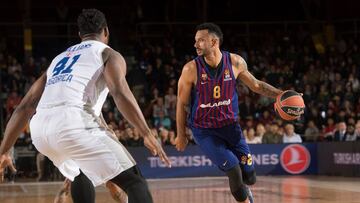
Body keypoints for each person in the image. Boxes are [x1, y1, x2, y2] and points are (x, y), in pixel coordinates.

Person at [0, 9, 170, 203]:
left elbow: (26, 105)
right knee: (135, 182)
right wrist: (146, 132)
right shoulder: (108, 53)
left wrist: (4, 150)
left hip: (40, 131)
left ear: (80, 35)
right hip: (73, 124)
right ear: (106, 32)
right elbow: (120, 93)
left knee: (80, 172)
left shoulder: (59, 59)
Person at [175, 23, 294, 203]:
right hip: (205, 131)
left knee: (250, 176)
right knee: (233, 170)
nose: (196, 44)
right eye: (195, 40)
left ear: (214, 42)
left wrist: (281, 94)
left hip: (231, 127)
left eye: (200, 40)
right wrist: (181, 134)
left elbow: (256, 85)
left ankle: (246, 188)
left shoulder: (235, 62)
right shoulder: (190, 69)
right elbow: (181, 103)